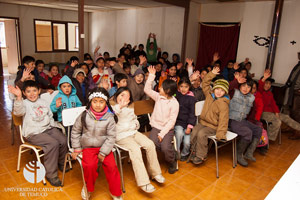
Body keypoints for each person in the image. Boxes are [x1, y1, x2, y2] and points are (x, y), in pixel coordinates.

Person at [8, 80, 68, 187]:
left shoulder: (43, 102)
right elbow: (18, 112)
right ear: (24, 93)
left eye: (34, 91)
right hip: (34, 133)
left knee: (63, 140)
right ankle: (51, 175)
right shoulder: (24, 103)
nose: (32, 94)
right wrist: (18, 97)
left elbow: (49, 115)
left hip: (47, 128)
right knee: (52, 144)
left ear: (39, 91)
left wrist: (55, 126)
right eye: (28, 91)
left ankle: (61, 163)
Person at [71, 87, 122, 200]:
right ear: (90, 102)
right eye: (95, 101)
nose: (98, 105)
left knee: (112, 166)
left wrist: (103, 152)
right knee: (89, 166)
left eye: (101, 102)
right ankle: (88, 188)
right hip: (88, 147)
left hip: (104, 147)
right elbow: (75, 132)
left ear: (106, 103)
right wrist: (77, 148)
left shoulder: (109, 118)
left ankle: (115, 192)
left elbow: (111, 137)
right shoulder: (84, 115)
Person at [111, 87, 165, 193]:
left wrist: (136, 123)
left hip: (133, 132)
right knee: (135, 149)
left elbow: (134, 118)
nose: (124, 98)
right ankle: (143, 182)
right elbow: (109, 118)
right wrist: (119, 107)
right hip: (121, 136)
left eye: (127, 96)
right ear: (116, 95)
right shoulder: (111, 106)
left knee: (150, 144)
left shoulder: (130, 105)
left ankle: (155, 173)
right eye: (122, 95)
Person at [190, 67, 230, 165]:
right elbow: (205, 83)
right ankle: (193, 151)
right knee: (195, 130)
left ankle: (201, 155)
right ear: (214, 89)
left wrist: (221, 134)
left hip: (213, 126)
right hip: (203, 122)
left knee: (201, 134)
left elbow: (223, 120)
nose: (219, 92)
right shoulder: (209, 95)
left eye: (222, 90)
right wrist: (212, 73)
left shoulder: (224, 104)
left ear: (225, 92)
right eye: (217, 89)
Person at [144, 66, 179, 174]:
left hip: (167, 129)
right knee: (153, 143)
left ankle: (172, 160)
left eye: (161, 87)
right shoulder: (158, 97)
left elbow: (172, 122)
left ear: (168, 91)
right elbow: (147, 90)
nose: (159, 88)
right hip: (156, 127)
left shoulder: (174, 103)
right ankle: (172, 153)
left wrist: (162, 134)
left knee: (164, 147)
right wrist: (151, 76)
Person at [229, 73, 262, 167]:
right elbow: (226, 88)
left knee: (258, 130)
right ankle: (238, 155)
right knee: (247, 132)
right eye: (243, 85)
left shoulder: (251, 98)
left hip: (243, 121)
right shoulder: (234, 92)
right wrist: (235, 81)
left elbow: (252, 113)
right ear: (240, 85)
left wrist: (251, 124)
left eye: (248, 87)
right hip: (233, 120)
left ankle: (249, 152)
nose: (245, 88)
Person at [259, 69, 300, 141]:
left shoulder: (270, 93)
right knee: (277, 121)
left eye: (269, 84)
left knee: (286, 117)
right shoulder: (259, 92)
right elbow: (260, 85)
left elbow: (273, 104)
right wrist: (264, 78)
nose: (268, 85)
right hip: (262, 113)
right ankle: (267, 140)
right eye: (266, 83)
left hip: (271, 112)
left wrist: (277, 112)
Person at [174, 77, 197, 161]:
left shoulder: (192, 98)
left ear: (189, 87)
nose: (183, 89)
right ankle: (177, 152)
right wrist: (173, 84)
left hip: (188, 124)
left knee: (187, 143)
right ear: (179, 87)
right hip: (178, 122)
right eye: (181, 86)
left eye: (186, 87)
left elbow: (192, 114)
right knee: (179, 134)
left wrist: (189, 126)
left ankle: (185, 154)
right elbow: (171, 94)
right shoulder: (176, 94)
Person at [285, 52, 300, 127]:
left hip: (298, 91)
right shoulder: (298, 65)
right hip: (293, 90)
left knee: (296, 111)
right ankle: (290, 127)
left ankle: (297, 131)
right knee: (291, 110)